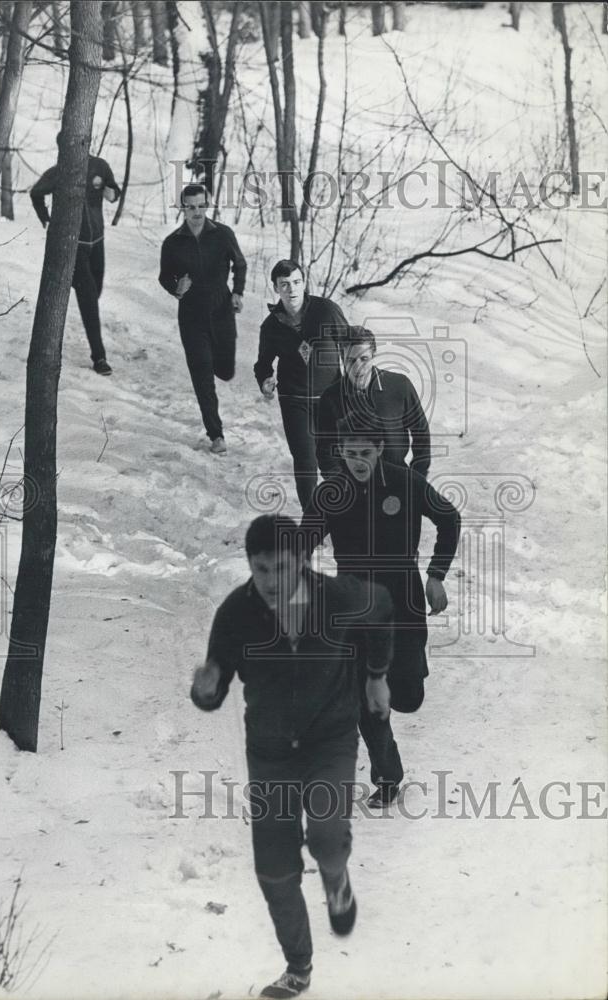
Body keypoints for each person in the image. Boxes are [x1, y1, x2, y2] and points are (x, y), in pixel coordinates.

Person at [191, 514, 393, 999]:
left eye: (281, 568)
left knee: (325, 836)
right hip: (270, 750)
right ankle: (298, 968)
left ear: (303, 561)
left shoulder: (337, 599)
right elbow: (215, 682)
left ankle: (336, 878)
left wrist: (376, 674)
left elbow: (383, 607)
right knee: (275, 870)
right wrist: (207, 687)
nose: (271, 581)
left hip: (331, 738)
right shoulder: (236, 613)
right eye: (261, 569)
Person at [303, 414, 460, 808]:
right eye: (351, 453)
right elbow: (302, 542)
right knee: (364, 696)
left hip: (403, 599)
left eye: (365, 453)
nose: (358, 461)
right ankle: (388, 778)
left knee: (407, 696)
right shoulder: (330, 493)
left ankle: (396, 686)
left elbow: (449, 518)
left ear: (379, 451)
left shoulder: (405, 482)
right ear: (340, 452)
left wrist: (436, 575)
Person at [159, 183, 246, 455]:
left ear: (207, 206)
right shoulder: (173, 242)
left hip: (222, 309)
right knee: (202, 373)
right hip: (191, 315)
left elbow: (240, 264)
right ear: (183, 209)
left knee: (225, 370)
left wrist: (238, 293)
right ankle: (216, 434)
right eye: (190, 207)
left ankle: (221, 368)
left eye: (201, 206)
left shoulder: (222, 234)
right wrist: (176, 287)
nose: (196, 212)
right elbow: (164, 276)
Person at [254, 260, 349, 510]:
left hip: (331, 400)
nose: (292, 290)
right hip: (294, 401)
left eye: (296, 282)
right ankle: (313, 520)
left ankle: (343, 514)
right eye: (284, 285)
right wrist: (265, 381)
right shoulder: (271, 326)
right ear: (276, 288)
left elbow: (350, 344)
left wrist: (357, 381)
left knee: (331, 460)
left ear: (304, 283)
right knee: (305, 461)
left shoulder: (326, 310)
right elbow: (263, 363)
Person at [30, 136, 120, 375]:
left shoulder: (100, 166)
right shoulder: (58, 172)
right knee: (89, 295)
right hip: (74, 246)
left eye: (79, 144)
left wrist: (112, 192)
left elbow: (114, 190)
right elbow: (36, 193)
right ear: (61, 148)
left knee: (95, 292)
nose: (74, 149)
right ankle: (99, 357)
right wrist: (45, 218)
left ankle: (87, 309)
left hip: (97, 242)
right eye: (67, 146)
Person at [317, 326, 430, 480]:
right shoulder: (330, 398)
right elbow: (325, 450)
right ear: (342, 358)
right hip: (354, 484)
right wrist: (340, 485)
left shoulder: (399, 385)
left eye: (364, 359)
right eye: (351, 360)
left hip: (398, 478)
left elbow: (421, 432)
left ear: (373, 356)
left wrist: (418, 476)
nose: (358, 367)